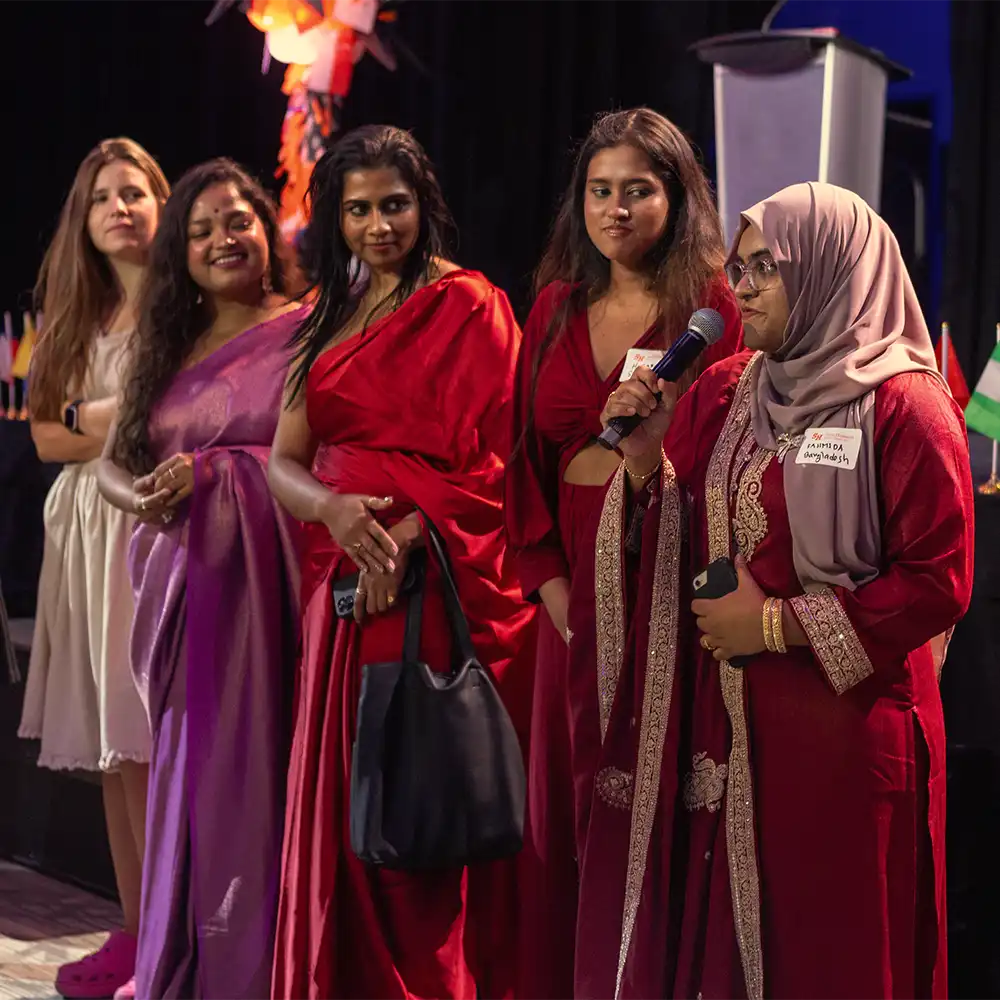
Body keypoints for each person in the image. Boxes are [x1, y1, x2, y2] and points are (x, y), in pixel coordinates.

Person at [580, 181, 974, 1000]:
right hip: (729, 734)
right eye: (738, 267)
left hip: (847, 739)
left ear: (832, 271)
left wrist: (775, 623)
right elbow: (677, 526)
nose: (742, 288)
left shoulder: (904, 403)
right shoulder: (726, 390)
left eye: (766, 267)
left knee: (834, 955)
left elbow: (937, 583)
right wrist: (649, 458)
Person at [268, 124, 535, 1000]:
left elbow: (501, 458)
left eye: (394, 205)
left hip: (425, 582)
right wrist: (337, 514)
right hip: (337, 580)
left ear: (425, 205)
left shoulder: (471, 305)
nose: (379, 225)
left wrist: (408, 536)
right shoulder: (330, 317)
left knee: (413, 802)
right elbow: (283, 461)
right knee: (352, 804)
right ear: (334, 219)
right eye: (358, 210)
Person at [504, 107, 743, 999]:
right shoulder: (556, 308)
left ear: (677, 197)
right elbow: (521, 460)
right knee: (564, 803)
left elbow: (737, 449)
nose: (615, 209)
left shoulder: (714, 309)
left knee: (656, 790)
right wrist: (550, 585)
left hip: (667, 578)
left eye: (636, 191)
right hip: (568, 591)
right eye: (599, 191)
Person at [96, 159, 302, 1000]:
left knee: (263, 780)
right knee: (189, 775)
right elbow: (117, 464)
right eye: (203, 228)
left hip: (271, 593)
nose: (224, 238)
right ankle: (190, 958)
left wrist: (216, 474)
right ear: (179, 253)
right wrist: (143, 491)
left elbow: (309, 458)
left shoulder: (306, 325)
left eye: (239, 220)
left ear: (268, 230)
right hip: (181, 593)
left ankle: (260, 969)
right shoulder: (168, 343)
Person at [18, 137, 169, 1000]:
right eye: (104, 196)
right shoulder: (76, 313)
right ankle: (133, 925)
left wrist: (90, 414)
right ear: (84, 218)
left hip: (139, 524)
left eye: (135, 192)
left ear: (159, 203)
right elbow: (44, 435)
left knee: (145, 741)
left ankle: (167, 935)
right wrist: (100, 414)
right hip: (79, 533)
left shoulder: (179, 308)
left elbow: (166, 411)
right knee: (114, 758)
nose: (119, 207)